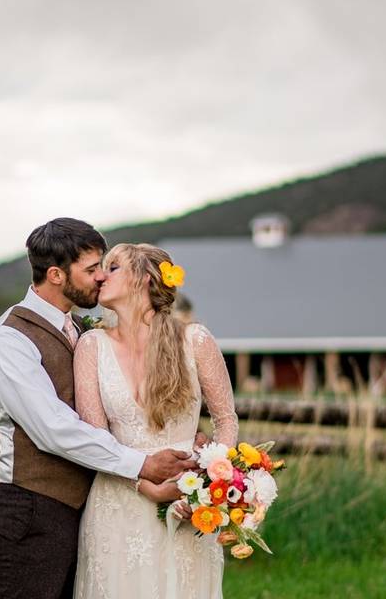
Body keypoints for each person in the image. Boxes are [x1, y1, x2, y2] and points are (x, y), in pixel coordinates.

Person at [0, 219, 197, 599]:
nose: (101, 277)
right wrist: (142, 464)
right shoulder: (9, 340)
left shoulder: (82, 331)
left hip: (85, 511)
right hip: (31, 510)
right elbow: (53, 429)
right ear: (57, 274)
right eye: (92, 269)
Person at [73, 243, 239, 598]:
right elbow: (95, 438)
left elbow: (226, 421)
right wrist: (143, 485)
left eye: (113, 267)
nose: (101, 275)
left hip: (186, 504)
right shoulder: (91, 346)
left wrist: (206, 486)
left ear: (144, 280)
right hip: (116, 503)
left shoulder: (194, 340)